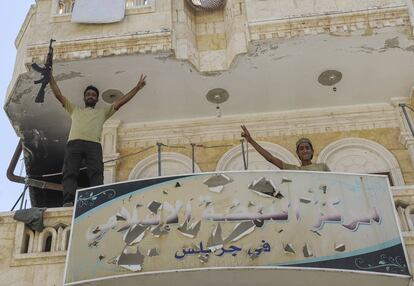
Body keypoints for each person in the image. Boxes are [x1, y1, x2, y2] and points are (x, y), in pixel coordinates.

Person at [50, 73, 147, 206]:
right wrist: (49, 76)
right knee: (70, 172)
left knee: (96, 174)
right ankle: (68, 201)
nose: (91, 96)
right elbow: (58, 95)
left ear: (96, 100)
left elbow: (122, 101)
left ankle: (97, 203)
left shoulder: (103, 112)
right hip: (74, 144)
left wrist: (137, 87)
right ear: (84, 98)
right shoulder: (74, 109)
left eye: (93, 95)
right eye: (88, 94)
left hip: (93, 145)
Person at [240, 125, 330, 171]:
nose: (305, 151)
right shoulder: (293, 170)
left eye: (307, 148)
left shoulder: (322, 167)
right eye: (301, 149)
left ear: (312, 151)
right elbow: (270, 158)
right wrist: (251, 140)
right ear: (298, 153)